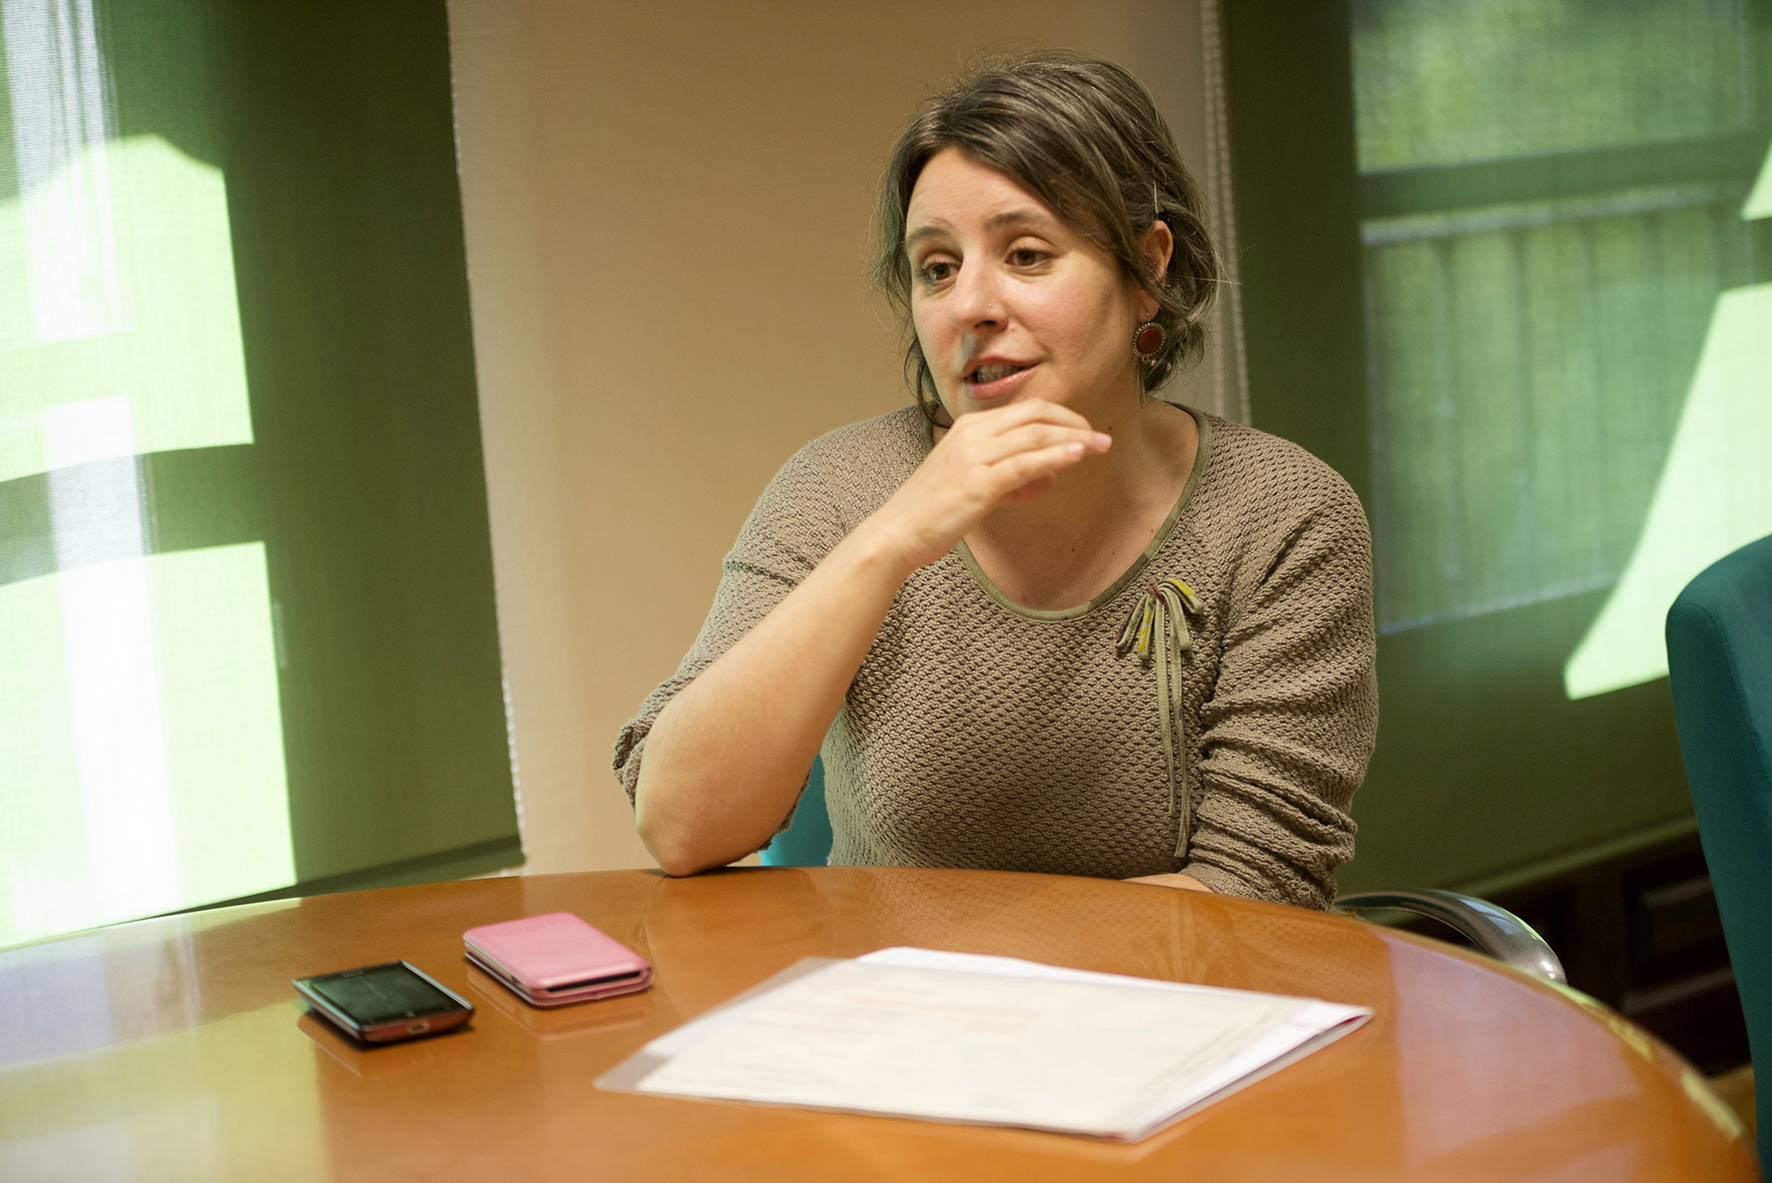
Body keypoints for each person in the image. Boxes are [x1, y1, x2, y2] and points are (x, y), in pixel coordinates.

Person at [614, 52, 1377, 910]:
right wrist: (890, 542)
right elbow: (681, 827)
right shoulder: (836, 486)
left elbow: (1252, 890)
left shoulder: (1284, 516)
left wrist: (971, 970)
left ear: (1149, 269)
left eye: (1025, 254)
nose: (969, 305)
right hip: (895, 1019)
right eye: (936, 268)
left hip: (1177, 1013)